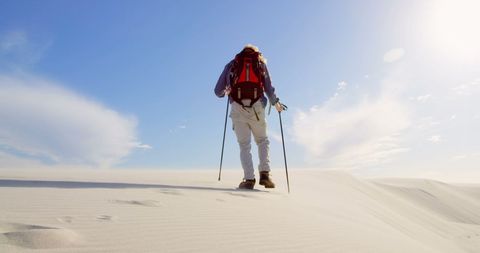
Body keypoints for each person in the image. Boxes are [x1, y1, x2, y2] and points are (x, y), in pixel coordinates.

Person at [214, 44, 286, 189]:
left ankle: (249, 180)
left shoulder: (232, 64)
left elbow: (217, 91)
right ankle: (265, 174)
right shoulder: (260, 63)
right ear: (256, 51)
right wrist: (275, 103)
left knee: (244, 145)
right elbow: (268, 87)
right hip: (256, 107)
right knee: (262, 140)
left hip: (237, 108)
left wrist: (226, 92)